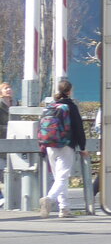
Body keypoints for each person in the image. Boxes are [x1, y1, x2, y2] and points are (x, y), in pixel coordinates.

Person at [38, 79, 86, 219]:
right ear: (69, 91)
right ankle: (49, 199)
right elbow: (78, 128)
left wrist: (42, 147)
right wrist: (82, 147)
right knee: (63, 177)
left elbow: (42, 128)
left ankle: (64, 208)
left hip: (50, 146)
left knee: (59, 178)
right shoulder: (71, 106)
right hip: (66, 145)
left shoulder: (51, 106)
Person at [0, 82, 12, 204]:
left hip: (13, 142)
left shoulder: (15, 104)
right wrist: (10, 128)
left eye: (9, 88)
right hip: (2, 142)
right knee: (2, 171)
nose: (8, 90)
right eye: (5, 88)